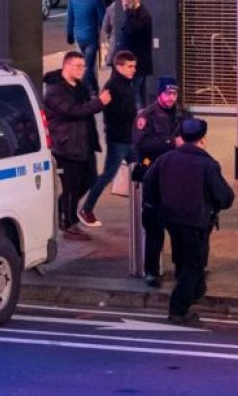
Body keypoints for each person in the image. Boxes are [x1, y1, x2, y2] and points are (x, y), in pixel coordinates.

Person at [143, 118, 233, 324]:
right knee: (194, 264)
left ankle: (195, 291)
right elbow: (224, 197)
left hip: (172, 220)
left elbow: (149, 183)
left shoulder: (166, 159)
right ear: (202, 139)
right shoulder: (208, 164)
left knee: (183, 258)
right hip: (196, 223)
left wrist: (159, 205)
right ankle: (178, 308)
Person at [43, 51, 111, 240]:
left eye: (83, 66)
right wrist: (99, 103)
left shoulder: (79, 86)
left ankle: (64, 211)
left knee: (90, 179)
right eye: (78, 66)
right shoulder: (55, 91)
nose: (82, 70)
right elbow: (72, 111)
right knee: (70, 186)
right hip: (66, 146)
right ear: (66, 66)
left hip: (83, 144)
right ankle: (67, 221)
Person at [133, 76, 188, 287]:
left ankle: (181, 267)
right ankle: (151, 271)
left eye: (174, 93)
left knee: (179, 227)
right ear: (160, 93)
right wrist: (170, 142)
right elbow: (141, 144)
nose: (172, 97)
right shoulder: (145, 116)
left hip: (176, 177)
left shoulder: (182, 115)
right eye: (168, 93)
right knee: (154, 228)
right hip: (154, 176)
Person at [79, 51, 138, 227]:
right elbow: (111, 113)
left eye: (134, 66)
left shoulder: (126, 83)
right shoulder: (113, 86)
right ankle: (86, 209)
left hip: (129, 137)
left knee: (143, 168)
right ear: (119, 67)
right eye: (130, 66)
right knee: (108, 175)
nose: (133, 70)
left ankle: (145, 204)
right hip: (119, 139)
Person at [66, 0, 107, 93]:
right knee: (87, 67)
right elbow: (102, 19)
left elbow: (70, 18)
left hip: (78, 37)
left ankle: (94, 89)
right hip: (91, 39)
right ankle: (81, 92)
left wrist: (69, 34)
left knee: (87, 64)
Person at [115, 0, 154, 106]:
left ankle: (138, 120)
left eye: (127, 2)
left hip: (138, 63)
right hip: (135, 61)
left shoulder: (142, 16)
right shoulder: (135, 15)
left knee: (135, 93)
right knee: (139, 92)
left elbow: (132, 32)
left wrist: (129, 13)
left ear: (135, 0)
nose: (124, 5)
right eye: (123, 2)